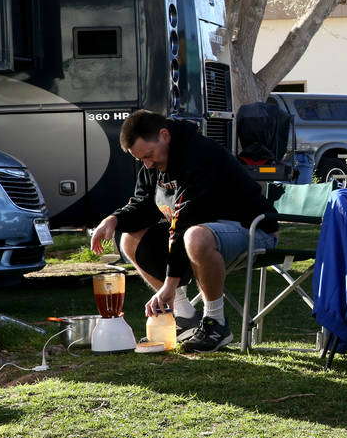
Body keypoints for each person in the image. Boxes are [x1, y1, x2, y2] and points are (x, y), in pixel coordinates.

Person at [90, 110, 279, 352]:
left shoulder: (200, 155)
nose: (148, 164)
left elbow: (186, 218)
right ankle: (184, 316)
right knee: (129, 239)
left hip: (253, 229)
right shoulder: (153, 163)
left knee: (195, 236)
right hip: (202, 230)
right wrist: (113, 219)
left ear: (164, 135)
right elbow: (144, 205)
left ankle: (216, 323)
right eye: (141, 160)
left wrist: (169, 283)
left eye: (149, 155)